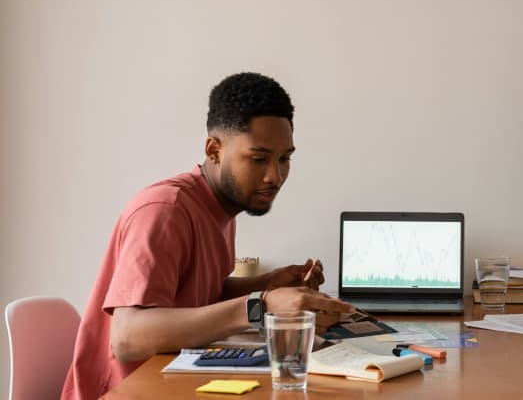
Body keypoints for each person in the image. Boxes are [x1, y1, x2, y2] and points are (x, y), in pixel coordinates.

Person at [61, 72, 355, 400]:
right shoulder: (165, 210)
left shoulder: (220, 209)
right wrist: (260, 304)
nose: (275, 175)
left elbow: (193, 298)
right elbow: (128, 337)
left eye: (284, 158)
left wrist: (268, 284)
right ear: (214, 150)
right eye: (258, 159)